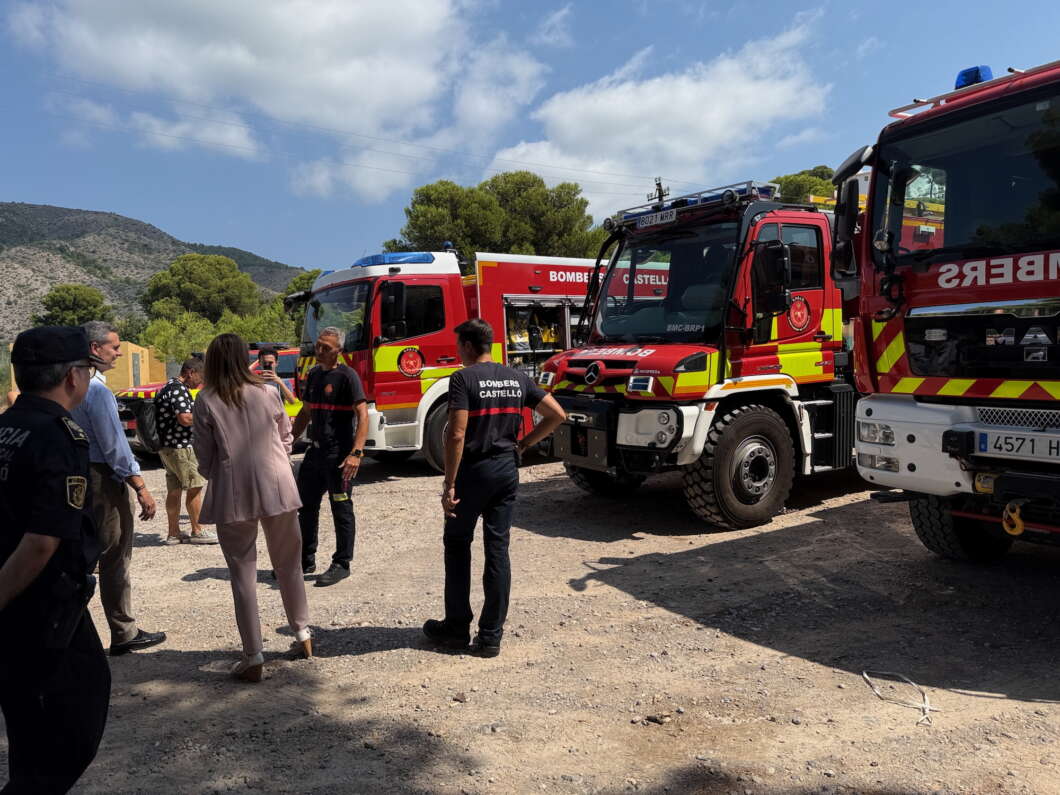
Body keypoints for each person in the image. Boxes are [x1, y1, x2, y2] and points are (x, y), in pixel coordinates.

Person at [0, 326, 110, 792]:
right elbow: (43, 540)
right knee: (73, 725)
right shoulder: (60, 435)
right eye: (87, 369)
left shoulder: (7, 426)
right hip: (40, 604)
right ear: (72, 376)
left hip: (16, 600)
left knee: (27, 727)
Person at [422, 318, 566, 657]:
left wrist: (449, 483)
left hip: (473, 472)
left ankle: (456, 629)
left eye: (458, 346)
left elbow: (456, 434)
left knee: (457, 545)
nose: (457, 352)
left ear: (470, 347)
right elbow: (557, 413)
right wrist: (524, 443)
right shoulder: (517, 377)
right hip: (505, 470)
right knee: (497, 551)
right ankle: (490, 637)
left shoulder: (462, 379)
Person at [193, 334, 311, 682]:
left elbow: (203, 454)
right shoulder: (267, 391)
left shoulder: (207, 399)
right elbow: (286, 434)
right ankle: (303, 633)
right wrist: (276, 458)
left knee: (242, 572)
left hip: (233, 487)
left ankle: (253, 653)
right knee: (289, 563)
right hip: (277, 482)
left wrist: (219, 471)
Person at [72, 321, 166, 656]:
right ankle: (124, 631)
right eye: (114, 347)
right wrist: (139, 485)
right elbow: (115, 447)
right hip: (102, 480)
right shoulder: (96, 391)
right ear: (95, 349)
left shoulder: (66, 385)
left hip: (75, 476)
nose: (119, 352)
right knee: (114, 556)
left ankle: (70, 632)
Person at [291, 327, 368, 588]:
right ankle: (304, 559)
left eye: (326, 347)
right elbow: (306, 411)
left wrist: (356, 453)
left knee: (341, 508)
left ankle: (342, 563)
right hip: (316, 452)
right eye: (318, 344)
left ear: (339, 351)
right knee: (306, 506)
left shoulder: (348, 376)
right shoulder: (313, 375)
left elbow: (363, 414)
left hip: (340, 456)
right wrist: (288, 441)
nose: (319, 350)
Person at [155, 357, 215, 545]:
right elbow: (185, 418)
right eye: (201, 376)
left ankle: (174, 533)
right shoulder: (179, 390)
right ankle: (197, 530)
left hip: (167, 447)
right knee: (195, 486)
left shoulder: (168, 386)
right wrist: (208, 421)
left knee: (174, 489)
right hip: (181, 447)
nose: (201, 381)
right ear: (190, 372)